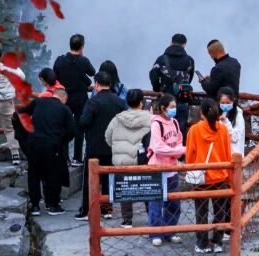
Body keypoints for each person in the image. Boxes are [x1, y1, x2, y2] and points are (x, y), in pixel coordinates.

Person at [18, 67, 76, 216]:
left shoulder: (38, 102)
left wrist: (24, 136)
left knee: (34, 174)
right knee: (52, 174)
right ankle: (53, 205)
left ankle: (35, 206)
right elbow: (72, 130)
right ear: (63, 98)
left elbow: (20, 114)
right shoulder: (64, 109)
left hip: (34, 142)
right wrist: (61, 140)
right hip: (52, 145)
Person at [76, 70, 126, 220]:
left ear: (96, 84)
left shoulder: (93, 102)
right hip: (112, 147)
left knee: (90, 180)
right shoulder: (119, 102)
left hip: (94, 147)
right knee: (108, 179)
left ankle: (87, 210)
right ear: (110, 84)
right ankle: (107, 210)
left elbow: (84, 122)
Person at [185, 97, 232, 253]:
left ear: (201, 113)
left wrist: (190, 170)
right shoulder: (223, 130)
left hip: (201, 177)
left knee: (201, 212)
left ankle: (202, 243)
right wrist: (229, 175)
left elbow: (190, 155)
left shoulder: (194, 130)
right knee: (220, 212)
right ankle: (217, 242)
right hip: (220, 176)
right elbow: (228, 153)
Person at [105, 88, 151, 228]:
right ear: (142, 103)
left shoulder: (117, 119)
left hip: (122, 161)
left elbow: (108, 137)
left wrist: (118, 148)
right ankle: (151, 216)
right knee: (147, 188)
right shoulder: (150, 118)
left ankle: (127, 220)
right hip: (142, 160)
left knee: (125, 189)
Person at [147, 93, 184, 246]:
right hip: (157, 168)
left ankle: (170, 230)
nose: (174, 109)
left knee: (174, 203)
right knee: (156, 202)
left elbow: (179, 140)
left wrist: (177, 151)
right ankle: (156, 232)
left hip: (172, 168)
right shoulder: (156, 124)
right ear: (163, 108)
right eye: (172, 107)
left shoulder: (175, 122)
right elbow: (158, 147)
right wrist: (177, 151)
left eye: (175, 106)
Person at [53, 33, 96, 165]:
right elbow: (92, 72)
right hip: (80, 99)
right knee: (79, 128)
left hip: (64, 98)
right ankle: (77, 158)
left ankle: (65, 158)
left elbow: (55, 76)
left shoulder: (60, 60)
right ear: (82, 47)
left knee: (63, 127)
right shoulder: (83, 61)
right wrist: (82, 57)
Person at [149, 33, 195, 137]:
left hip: (165, 100)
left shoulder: (161, 59)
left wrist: (157, 88)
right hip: (183, 99)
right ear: (184, 44)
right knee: (180, 131)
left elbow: (153, 75)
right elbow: (190, 78)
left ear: (171, 42)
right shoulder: (190, 60)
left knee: (163, 131)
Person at [0, 46, 25, 166]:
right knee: (10, 129)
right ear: (0, 57)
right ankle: (15, 154)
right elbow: (22, 76)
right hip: (6, 103)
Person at [216, 87, 246, 156]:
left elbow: (235, 138)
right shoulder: (218, 113)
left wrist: (226, 123)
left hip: (234, 156)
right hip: (220, 154)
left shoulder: (238, 115)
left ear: (233, 100)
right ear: (219, 102)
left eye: (228, 103)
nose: (225, 105)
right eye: (222, 103)